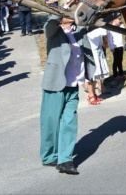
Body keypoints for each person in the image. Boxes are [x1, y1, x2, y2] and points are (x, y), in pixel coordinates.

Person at [40, 11, 93, 175]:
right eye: (67, 13)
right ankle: (49, 156)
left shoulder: (78, 31)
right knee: (50, 121)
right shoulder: (54, 31)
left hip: (73, 85)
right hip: (55, 84)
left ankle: (65, 160)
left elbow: (92, 17)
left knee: (70, 122)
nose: (71, 14)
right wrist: (61, 10)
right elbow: (49, 25)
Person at [87, 27, 111, 99]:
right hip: (93, 54)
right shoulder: (91, 31)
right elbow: (104, 31)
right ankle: (92, 95)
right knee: (94, 76)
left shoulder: (96, 30)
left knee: (98, 75)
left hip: (98, 51)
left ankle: (97, 92)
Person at [107, 14, 126, 81]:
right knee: (116, 61)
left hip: (120, 45)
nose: (119, 21)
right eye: (118, 19)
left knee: (120, 60)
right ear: (114, 20)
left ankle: (121, 73)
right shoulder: (110, 28)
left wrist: (120, 24)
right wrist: (111, 47)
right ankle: (115, 75)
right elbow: (109, 39)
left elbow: (124, 30)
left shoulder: (119, 27)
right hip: (115, 47)